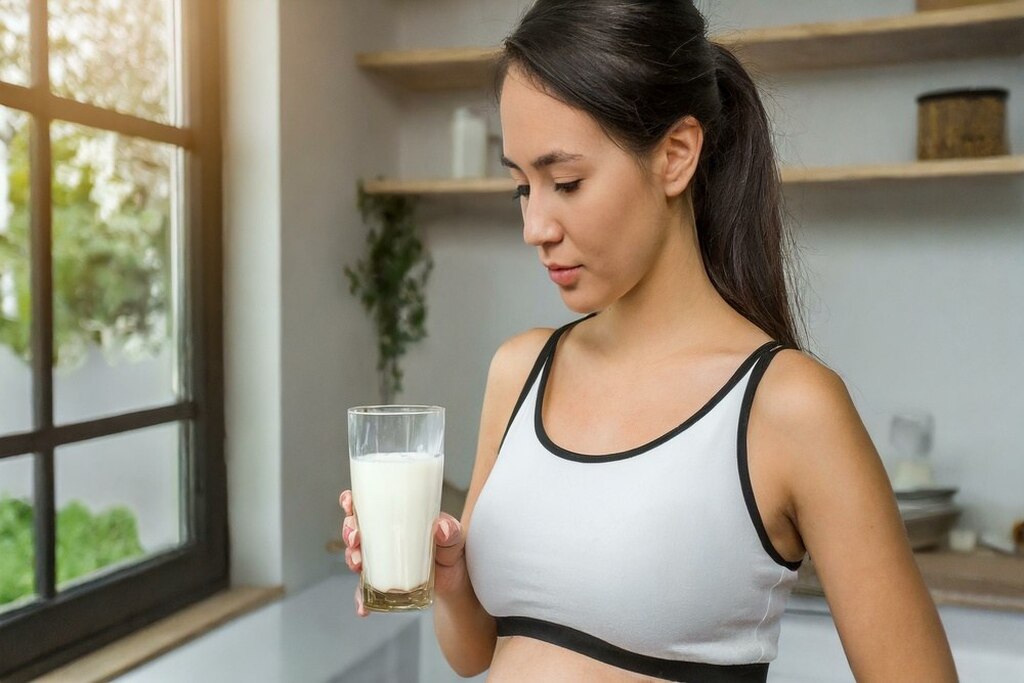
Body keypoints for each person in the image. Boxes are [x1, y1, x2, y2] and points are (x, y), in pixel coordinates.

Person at [339, 1, 959, 680]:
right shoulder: (520, 371)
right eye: (522, 187)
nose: (535, 226)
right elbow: (473, 653)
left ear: (675, 155)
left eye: (565, 182)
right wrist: (449, 575)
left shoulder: (788, 407)